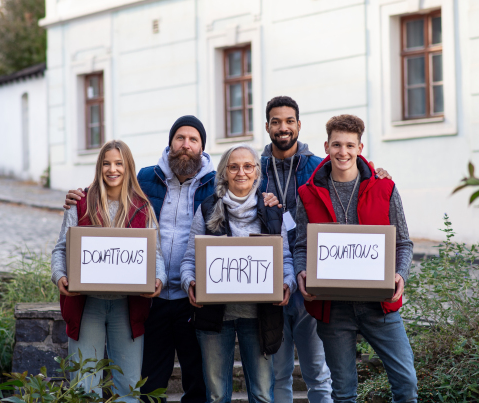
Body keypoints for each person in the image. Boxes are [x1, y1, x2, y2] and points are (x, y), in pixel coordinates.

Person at [63, 115, 280, 402]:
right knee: (151, 380)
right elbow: (113, 192)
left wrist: (269, 199)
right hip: (151, 297)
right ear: (170, 143)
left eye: (193, 140)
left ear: (202, 147)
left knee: (198, 381)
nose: (185, 145)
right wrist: (79, 195)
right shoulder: (145, 178)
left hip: (194, 299)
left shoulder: (213, 186)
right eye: (180, 138)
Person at [260, 96, 391, 402]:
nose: (283, 128)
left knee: (317, 372)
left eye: (289, 121)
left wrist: (376, 171)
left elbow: (352, 171)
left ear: (298, 125)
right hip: (272, 280)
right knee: (279, 373)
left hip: (313, 278)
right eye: (276, 122)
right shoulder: (256, 169)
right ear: (268, 126)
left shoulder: (317, 165)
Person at [294, 114, 418, 402]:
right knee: (344, 392)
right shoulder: (307, 194)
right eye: (337, 145)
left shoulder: (384, 188)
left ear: (360, 148)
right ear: (326, 147)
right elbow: (301, 245)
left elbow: (403, 242)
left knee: (406, 383)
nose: (343, 152)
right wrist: (301, 272)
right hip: (332, 308)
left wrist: (400, 273)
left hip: (380, 305)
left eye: (350, 145)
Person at [179, 144, 297, 403]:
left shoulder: (272, 210)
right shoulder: (207, 208)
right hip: (214, 317)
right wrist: (190, 282)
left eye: (247, 166)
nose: (240, 172)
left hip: (259, 317)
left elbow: (286, 259)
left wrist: (288, 283)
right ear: (224, 173)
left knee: (263, 394)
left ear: (257, 172)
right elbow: (190, 258)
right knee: (217, 395)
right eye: (233, 167)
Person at [51, 140, 167, 402]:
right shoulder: (80, 204)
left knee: (128, 388)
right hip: (87, 304)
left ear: (128, 167)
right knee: (84, 385)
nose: (112, 169)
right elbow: (60, 249)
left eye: (118, 163)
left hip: (128, 307)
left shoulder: (142, 207)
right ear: (99, 167)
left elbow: (155, 254)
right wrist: (59, 275)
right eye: (106, 163)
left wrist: (159, 279)